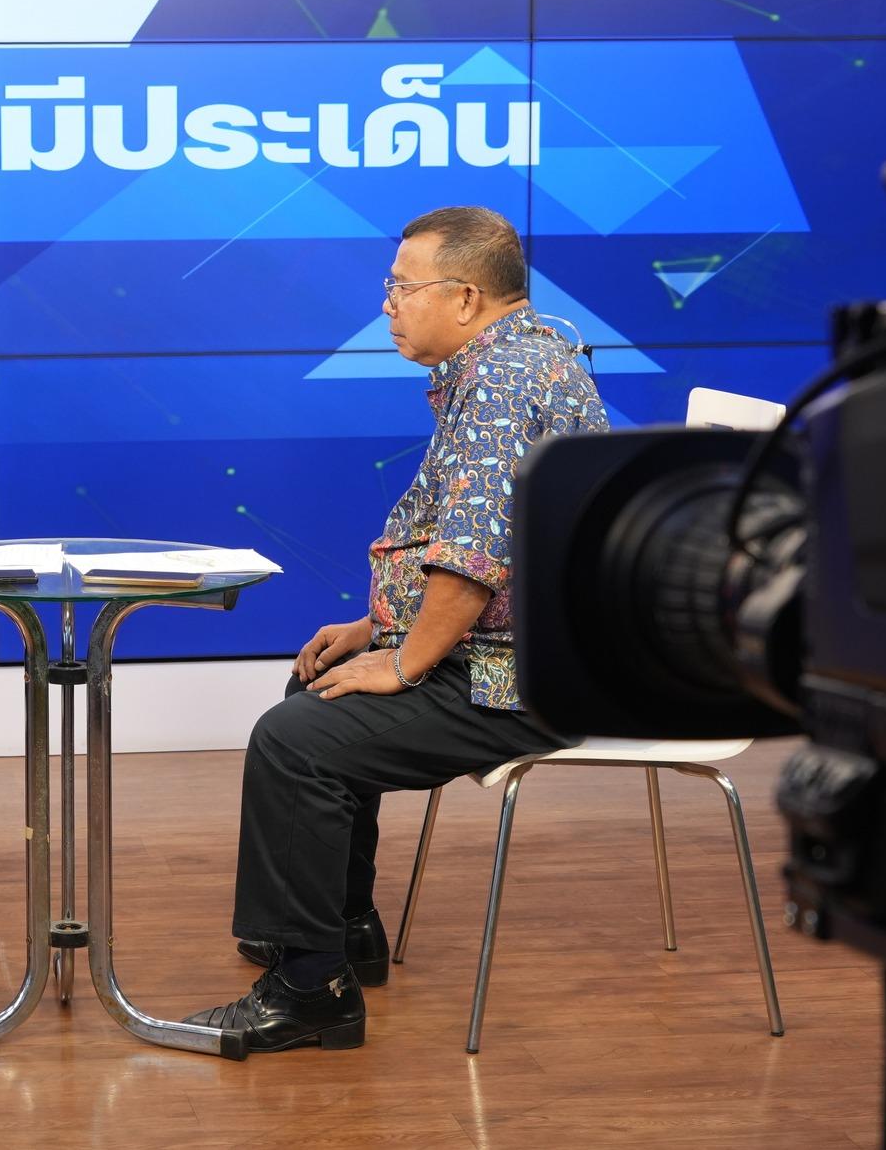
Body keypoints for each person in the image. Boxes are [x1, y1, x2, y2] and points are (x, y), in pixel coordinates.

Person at [186, 205, 611, 1053]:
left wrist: (404, 662)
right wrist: (377, 624)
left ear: (465, 297)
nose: (387, 304)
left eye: (401, 287)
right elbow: (492, 547)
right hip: (523, 651)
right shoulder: (526, 353)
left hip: (521, 678)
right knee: (315, 684)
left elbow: (474, 560)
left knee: (294, 741)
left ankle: (311, 991)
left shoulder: (500, 384)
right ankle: (341, 930)